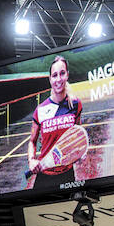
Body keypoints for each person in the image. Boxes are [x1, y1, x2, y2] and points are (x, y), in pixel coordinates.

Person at [26, 55, 84, 191]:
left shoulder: (76, 104)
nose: (58, 79)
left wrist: (78, 152)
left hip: (67, 175)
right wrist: (31, 160)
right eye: (55, 75)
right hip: (45, 175)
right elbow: (32, 141)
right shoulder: (40, 110)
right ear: (50, 79)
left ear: (67, 75)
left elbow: (77, 135)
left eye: (62, 73)